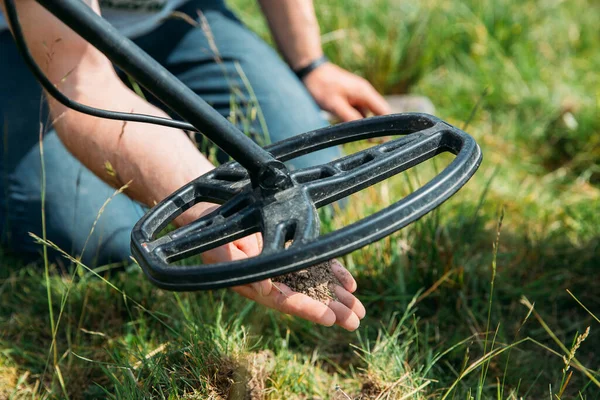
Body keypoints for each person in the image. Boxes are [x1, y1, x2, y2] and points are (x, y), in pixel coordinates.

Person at [0, 0, 392, 331]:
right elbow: (82, 83)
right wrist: (211, 207)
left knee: (311, 173)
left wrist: (310, 62)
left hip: (175, 17)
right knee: (102, 239)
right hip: (30, 41)